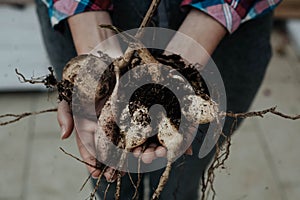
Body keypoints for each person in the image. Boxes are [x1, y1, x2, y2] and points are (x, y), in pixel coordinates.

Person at [35, 0, 281, 199]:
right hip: (77, 16)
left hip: (230, 25)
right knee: (107, 176)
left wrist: (201, 32)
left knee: (181, 180)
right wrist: (90, 27)